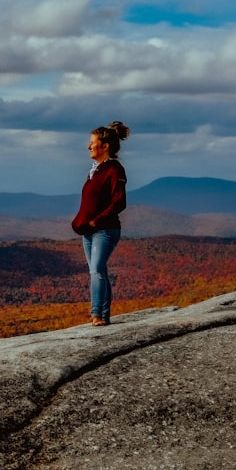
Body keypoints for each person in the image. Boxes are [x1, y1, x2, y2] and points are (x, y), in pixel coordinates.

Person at [71, 121, 130, 327]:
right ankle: (103, 315)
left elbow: (119, 201)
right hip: (89, 231)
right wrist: (82, 222)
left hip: (105, 230)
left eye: (92, 143)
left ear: (105, 146)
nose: (88, 146)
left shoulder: (114, 170)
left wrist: (97, 220)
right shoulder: (94, 171)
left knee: (96, 270)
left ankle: (97, 314)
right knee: (99, 271)